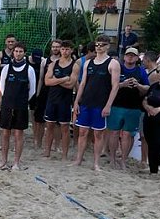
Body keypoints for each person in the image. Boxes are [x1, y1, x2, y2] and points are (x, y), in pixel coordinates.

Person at [73, 35, 121, 171]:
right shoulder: (88, 63)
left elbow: (115, 86)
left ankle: (96, 163)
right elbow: (82, 84)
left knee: (98, 134)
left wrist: (108, 105)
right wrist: (77, 102)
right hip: (86, 102)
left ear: (107, 46)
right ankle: (78, 159)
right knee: (82, 132)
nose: (99, 47)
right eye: (97, 44)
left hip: (100, 104)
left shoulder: (113, 63)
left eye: (102, 45)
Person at [107, 47, 150, 170]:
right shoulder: (117, 67)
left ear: (137, 58)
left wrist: (138, 85)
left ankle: (124, 160)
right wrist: (122, 84)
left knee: (127, 135)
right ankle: (112, 159)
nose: (130, 57)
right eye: (128, 55)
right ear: (124, 57)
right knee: (114, 133)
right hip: (117, 105)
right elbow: (109, 85)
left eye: (133, 55)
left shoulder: (141, 71)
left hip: (134, 107)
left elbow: (148, 88)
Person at [0, 43, 36, 170]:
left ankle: (16, 163)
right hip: (7, 105)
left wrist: (22, 101)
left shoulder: (29, 69)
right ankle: (3, 161)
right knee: (5, 134)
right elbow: (2, 88)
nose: (18, 53)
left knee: (19, 135)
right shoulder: (6, 68)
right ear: (13, 52)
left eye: (20, 51)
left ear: (24, 53)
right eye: (16, 51)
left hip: (21, 106)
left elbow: (32, 90)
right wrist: (9, 100)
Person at [42, 40, 79, 160]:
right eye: (63, 49)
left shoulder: (75, 65)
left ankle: (64, 154)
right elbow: (47, 82)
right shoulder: (53, 64)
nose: (64, 51)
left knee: (64, 128)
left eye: (67, 49)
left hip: (65, 100)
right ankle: (47, 152)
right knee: (49, 126)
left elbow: (71, 84)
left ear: (72, 50)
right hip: (52, 99)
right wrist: (63, 79)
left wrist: (55, 80)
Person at [139, 50, 160, 166]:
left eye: (143, 60)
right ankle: (145, 160)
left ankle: (146, 160)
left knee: (146, 136)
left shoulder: (154, 75)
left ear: (148, 60)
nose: (142, 62)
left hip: (150, 108)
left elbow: (152, 93)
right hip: (150, 107)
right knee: (145, 136)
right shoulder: (153, 72)